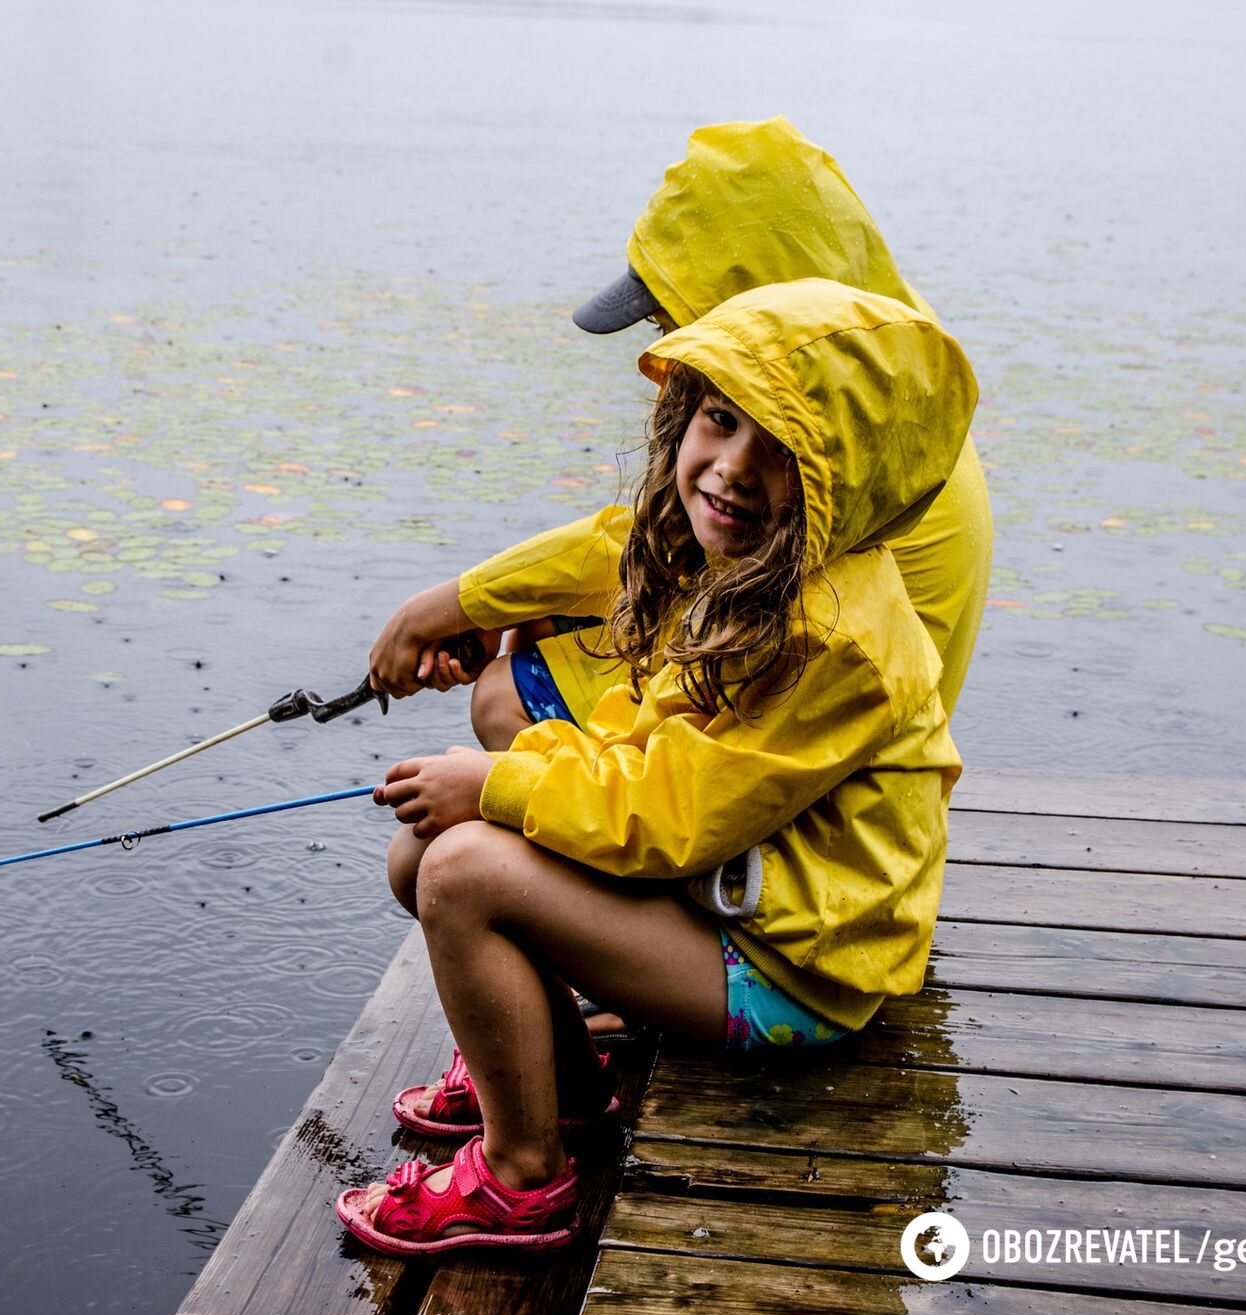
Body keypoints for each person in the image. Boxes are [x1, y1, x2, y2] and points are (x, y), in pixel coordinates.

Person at [334, 277, 976, 1256]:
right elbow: (646, 737)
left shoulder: (830, 639)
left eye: (782, 449)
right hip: (726, 898)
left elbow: (666, 818)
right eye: (720, 419)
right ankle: (553, 1080)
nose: (729, 468)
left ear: (846, 480)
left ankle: (518, 1180)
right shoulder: (746, 564)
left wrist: (496, 783)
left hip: (796, 970)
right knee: (419, 854)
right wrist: (491, 773)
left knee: (461, 871)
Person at [369, 117, 993, 745]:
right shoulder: (878, 369)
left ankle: (533, 829)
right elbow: (658, 551)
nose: (665, 352)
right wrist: (487, 604)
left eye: (671, 322)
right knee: (545, 619)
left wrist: (440, 609)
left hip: (797, 726)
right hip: (771, 646)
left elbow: (664, 561)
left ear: (751, 301)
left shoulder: (826, 428)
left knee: (505, 695)